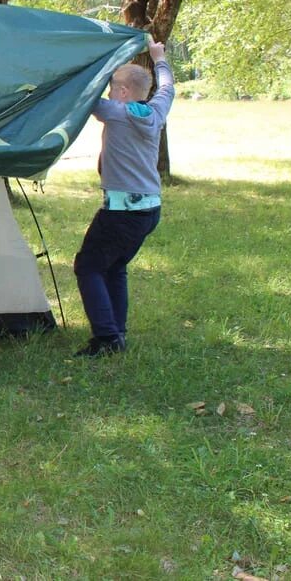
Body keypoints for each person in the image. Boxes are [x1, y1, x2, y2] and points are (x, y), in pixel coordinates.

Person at [73, 41, 175, 357]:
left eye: (112, 87)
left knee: (87, 266)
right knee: (115, 267)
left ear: (122, 93)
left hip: (122, 213)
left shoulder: (115, 113)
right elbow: (168, 87)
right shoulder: (157, 110)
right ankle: (117, 332)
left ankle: (106, 338)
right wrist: (159, 58)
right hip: (149, 210)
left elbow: (84, 95)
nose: (108, 93)